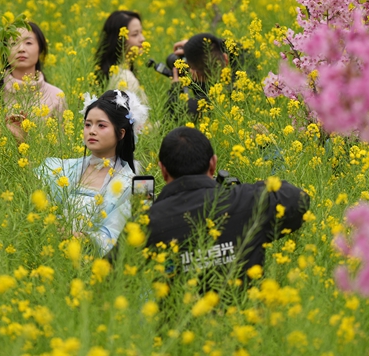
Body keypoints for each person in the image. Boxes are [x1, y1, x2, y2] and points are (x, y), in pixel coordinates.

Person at [140, 126, 309, 279]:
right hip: (244, 312)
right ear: (213, 164)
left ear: (162, 170)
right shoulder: (247, 203)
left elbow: (116, 276)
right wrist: (244, 191)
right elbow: (296, 197)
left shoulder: (148, 224)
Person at [37, 90, 149, 254]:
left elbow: (126, 236)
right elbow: (30, 193)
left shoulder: (139, 184)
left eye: (101, 125)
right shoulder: (63, 168)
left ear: (121, 133)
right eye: (87, 124)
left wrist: (81, 239)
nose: (92, 131)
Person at [0, 21, 67, 140]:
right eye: (13, 43)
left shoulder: (56, 96)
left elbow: (61, 150)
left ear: (40, 50)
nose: (21, 48)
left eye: (28, 43)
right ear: (4, 51)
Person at [165, 33, 228, 122]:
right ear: (225, 58)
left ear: (195, 73)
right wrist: (197, 46)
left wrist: (175, 90)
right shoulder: (237, 89)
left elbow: (168, 124)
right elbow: (242, 52)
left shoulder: (195, 108)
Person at [95, 11, 148, 103]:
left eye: (141, 32)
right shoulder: (125, 78)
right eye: (135, 34)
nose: (142, 38)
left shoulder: (114, 73)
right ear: (119, 39)